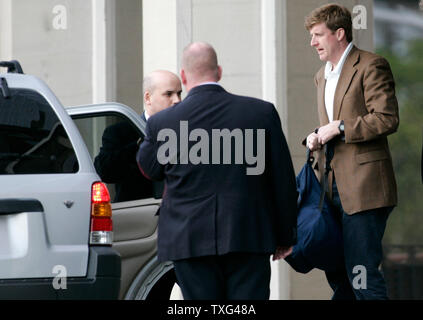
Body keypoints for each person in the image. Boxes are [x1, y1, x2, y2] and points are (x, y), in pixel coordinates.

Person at [136, 42, 298, 300]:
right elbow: (282, 180)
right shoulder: (261, 113)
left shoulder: (162, 122)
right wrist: (285, 235)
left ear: (185, 76)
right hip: (249, 235)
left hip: (189, 240)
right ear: (219, 72)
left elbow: (149, 169)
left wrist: (156, 125)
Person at [304, 4, 399, 300]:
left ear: (339, 33)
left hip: (364, 190)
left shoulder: (371, 64)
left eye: (318, 35)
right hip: (330, 192)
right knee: (341, 277)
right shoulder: (321, 75)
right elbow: (329, 125)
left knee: (362, 275)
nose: (313, 42)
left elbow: (387, 118)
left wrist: (341, 127)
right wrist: (316, 135)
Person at [94, 70, 182, 202]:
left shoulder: (187, 131)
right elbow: (104, 171)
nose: (177, 100)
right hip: (140, 214)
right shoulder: (122, 132)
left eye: (179, 93)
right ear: (148, 98)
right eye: (169, 94)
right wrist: (142, 143)